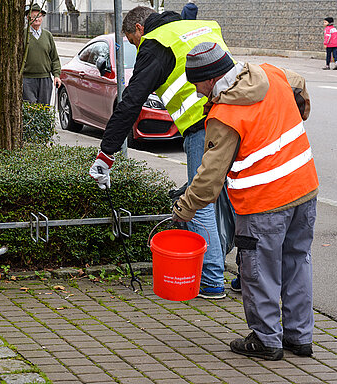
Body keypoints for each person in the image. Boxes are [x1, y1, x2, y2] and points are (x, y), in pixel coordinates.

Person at [174, 42, 318, 360]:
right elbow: (300, 86)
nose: (198, 92)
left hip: (263, 204)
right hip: (304, 189)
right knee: (297, 262)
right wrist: (299, 112)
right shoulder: (270, 74)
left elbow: (210, 178)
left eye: (197, 84)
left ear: (210, 79)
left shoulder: (226, 114)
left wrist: (184, 208)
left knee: (258, 271)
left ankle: (267, 339)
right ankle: (299, 337)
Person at [88, 6, 231, 299]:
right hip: (236, 121)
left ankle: (213, 280)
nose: (136, 47)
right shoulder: (200, 27)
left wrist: (106, 153)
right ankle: (250, 273)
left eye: (132, 41)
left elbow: (130, 102)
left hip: (201, 127)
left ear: (139, 28)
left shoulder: (157, 43)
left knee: (199, 202)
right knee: (236, 198)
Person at [23, 3, 61, 105]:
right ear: (28, 17)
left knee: (44, 108)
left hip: (45, 79)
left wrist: (56, 75)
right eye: (34, 16)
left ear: (42, 18)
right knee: (30, 109)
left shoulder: (47, 35)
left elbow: (54, 58)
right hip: (27, 80)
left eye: (39, 16)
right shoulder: (23, 35)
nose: (36, 19)